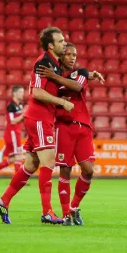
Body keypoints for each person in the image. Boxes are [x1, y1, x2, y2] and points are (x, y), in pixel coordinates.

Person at [0, 27, 74, 225]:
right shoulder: (43, 62)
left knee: (31, 165)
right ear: (50, 45)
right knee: (49, 163)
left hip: (41, 118)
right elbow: (36, 92)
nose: (64, 43)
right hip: (39, 118)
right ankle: (47, 212)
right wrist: (62, 102)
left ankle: (3, 201)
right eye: (61, 41)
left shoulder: (55, 64)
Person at [37, 43, 104, 225]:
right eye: (68, 54)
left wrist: (55, 77)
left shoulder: (80, 73)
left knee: (88, 170)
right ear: (61, 56)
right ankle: (66, 214)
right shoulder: (51, 78)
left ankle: (74, 206)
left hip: (83, 127)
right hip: (63, 127)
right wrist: (56, 89)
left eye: (75, 54)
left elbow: (76, 87)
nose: (72, 57)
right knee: (65, 170)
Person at [0, 85, 25, 184]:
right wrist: (24, 114)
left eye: (23, 92)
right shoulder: (11, 105)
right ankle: (19, 180)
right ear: (14, 93)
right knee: (18, 156)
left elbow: (19, 119)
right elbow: (12, 121)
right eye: (20, 92)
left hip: (16, 133)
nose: (23, 94)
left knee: (12, 158)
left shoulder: (20, 105)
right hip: (12, 134)